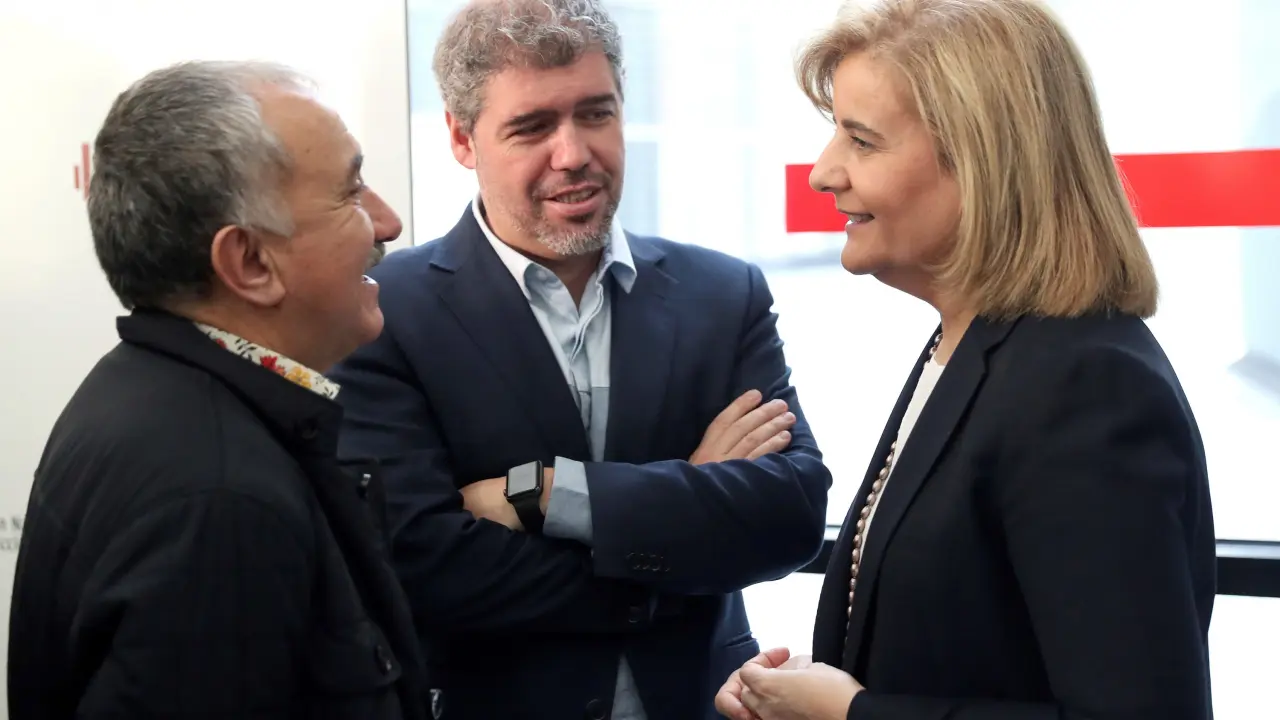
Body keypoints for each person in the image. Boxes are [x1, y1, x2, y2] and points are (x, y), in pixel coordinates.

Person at [326, 1, 833, 718]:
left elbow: (790, 516)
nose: (572, 154)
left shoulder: (722, 294)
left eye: (595, 114)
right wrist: (686, 502)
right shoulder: (383, 313)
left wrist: (545, 494)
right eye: (532, 127)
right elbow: (425, 564)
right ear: (462, 139)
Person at [716, 0, 1215, 718]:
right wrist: (803, 694)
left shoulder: (1083, 385)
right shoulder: (970, 345)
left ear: (982, 164)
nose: (824, 172)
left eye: (862, 141)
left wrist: (851, 713)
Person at [8, 61, 428, 720]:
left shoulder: (143, 394)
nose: (389, 222)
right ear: (250, 262)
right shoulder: (221, 500)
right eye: (350, 192)